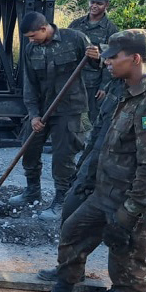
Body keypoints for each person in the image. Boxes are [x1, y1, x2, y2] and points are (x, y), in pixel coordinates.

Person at [31, 29, 146, 292]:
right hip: (104, 192)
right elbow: (108, 145)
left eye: (115, 56)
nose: (108, 61)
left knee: (127, 269)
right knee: (72, 234)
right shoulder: (128, 93)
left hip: (129, 203)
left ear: (136, 58)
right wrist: (87, 181)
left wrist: (129, 214)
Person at [9, 11, 100, 219]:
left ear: (44, 28)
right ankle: (32, 192)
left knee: (63, 157)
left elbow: (97, 64)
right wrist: (33, 115)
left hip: (69, 109)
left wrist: (97, 57)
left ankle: (61, 201)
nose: (31, 41)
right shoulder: (31, 49)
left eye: (33, 36)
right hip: (42, 109)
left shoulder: (75, 38)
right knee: (29, 148)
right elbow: (29, 85)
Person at [68, 0, 119, 124]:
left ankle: (88, 145)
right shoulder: (76, 24)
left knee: (92, 119)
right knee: (70, 117)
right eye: (92, 2)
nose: (94, 6)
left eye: (99, 4)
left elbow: (111, 59)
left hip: (93, 83)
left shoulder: (111, 29)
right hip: (73, 79)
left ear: (106, 5)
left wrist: (104, 86)